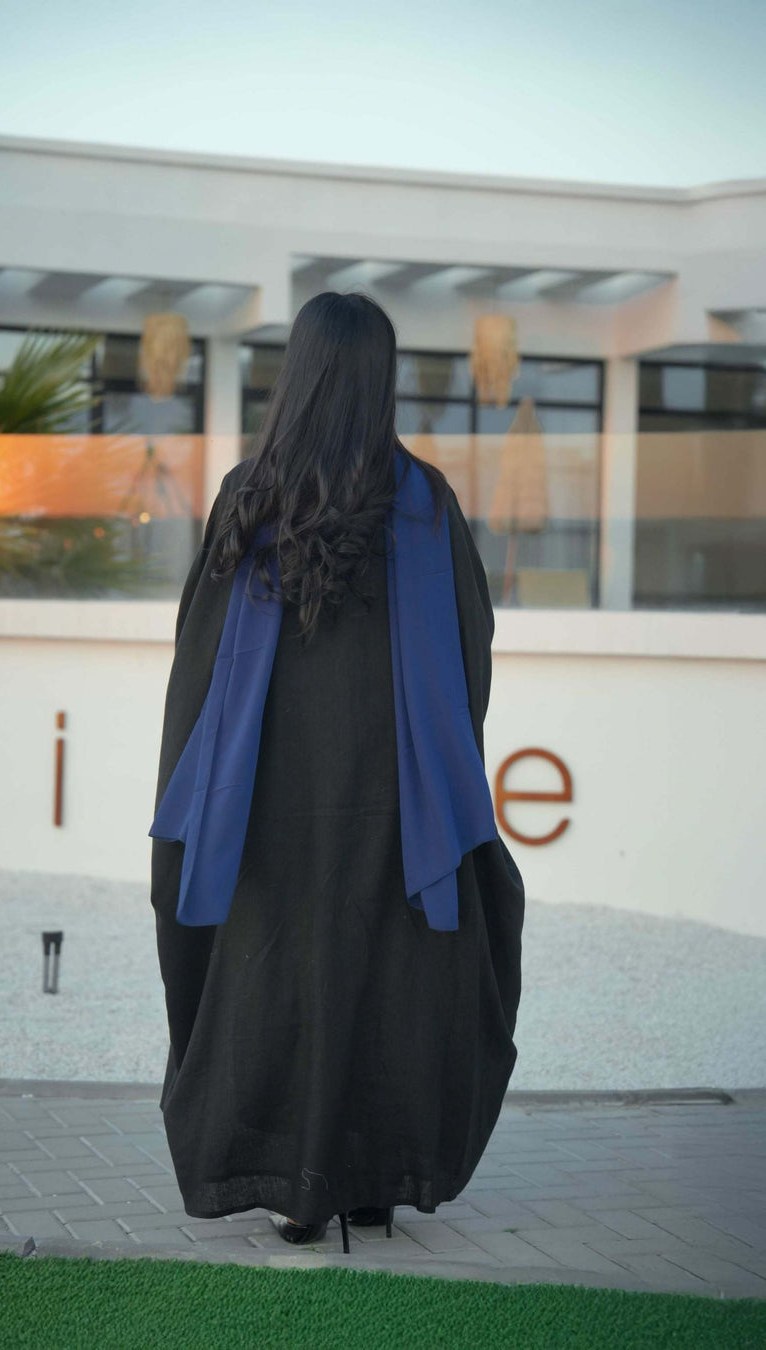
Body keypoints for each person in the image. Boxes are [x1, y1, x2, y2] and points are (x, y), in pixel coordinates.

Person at [149, 291, 525, 1254]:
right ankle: (369, 1183)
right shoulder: (423, 503)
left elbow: (197, 658)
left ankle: (293, 1186)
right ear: (381, 378)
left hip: (265, 803)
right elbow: (470, 653)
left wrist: (194, 791)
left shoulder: (251, 496)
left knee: (276, 980)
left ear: (301, 373)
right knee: (385, 978)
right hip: (392, 798)